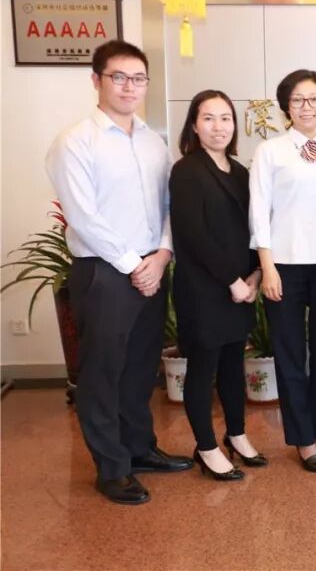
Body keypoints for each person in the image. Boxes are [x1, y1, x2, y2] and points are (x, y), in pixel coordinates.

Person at [45, 39, 193, 505]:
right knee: (102, 372)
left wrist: (162, 255)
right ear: (97, 80)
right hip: (105, 272)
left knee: (141, 367)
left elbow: (169, 205)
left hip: (152, 265)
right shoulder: (74, 142)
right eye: (119, 77)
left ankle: (139, 449)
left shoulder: (153, 142)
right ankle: (111, 469)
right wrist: (134, 265)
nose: (130, 87)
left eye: (138, 78)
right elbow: (83, 217)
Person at [250, 70, 316, 473]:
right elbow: (259, 211)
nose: (307, 107)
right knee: (289, 355)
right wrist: (267, 267)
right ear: (286, 107)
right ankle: (303, 439)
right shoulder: (270, 151)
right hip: (284, 267)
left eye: (314, 99)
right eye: (298, 100)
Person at [170, 90, 266, 481]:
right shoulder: (186, 171)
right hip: (204, 289)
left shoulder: (241, 173)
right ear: (194, 125)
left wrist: (255, 274)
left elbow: (253, 229)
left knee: (232, 366)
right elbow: (193, 235)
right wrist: (232, 281)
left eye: (225, 118)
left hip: (241, 287)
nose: (218, 126)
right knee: (202, 367)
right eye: (208, 118)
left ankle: (236, 435)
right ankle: (206, 447)